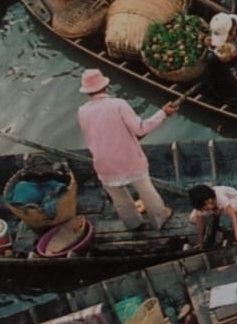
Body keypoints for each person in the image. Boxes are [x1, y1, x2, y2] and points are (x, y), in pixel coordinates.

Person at [76, 69, 178, 230]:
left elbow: (91, 136)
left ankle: (133, 224)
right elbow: (140, 129)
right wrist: (163, 113)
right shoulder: (118, 104)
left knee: (120, 199)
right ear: (106, 86)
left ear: (87, 92)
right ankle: (159, 218)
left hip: (103, 163)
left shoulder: (82, 111)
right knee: (146, 191)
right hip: (128, 159)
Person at [187, 183, 237, 251]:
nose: (203, 210)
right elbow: (200, 224)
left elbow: (233, 215)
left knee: (234, 209)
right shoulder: (202, 203)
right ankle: (214, 218)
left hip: (231, 197)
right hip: (213, 205)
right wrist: (200, 242)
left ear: (208, 201)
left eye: (204, 208)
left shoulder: (220, 198)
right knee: (193, 218)